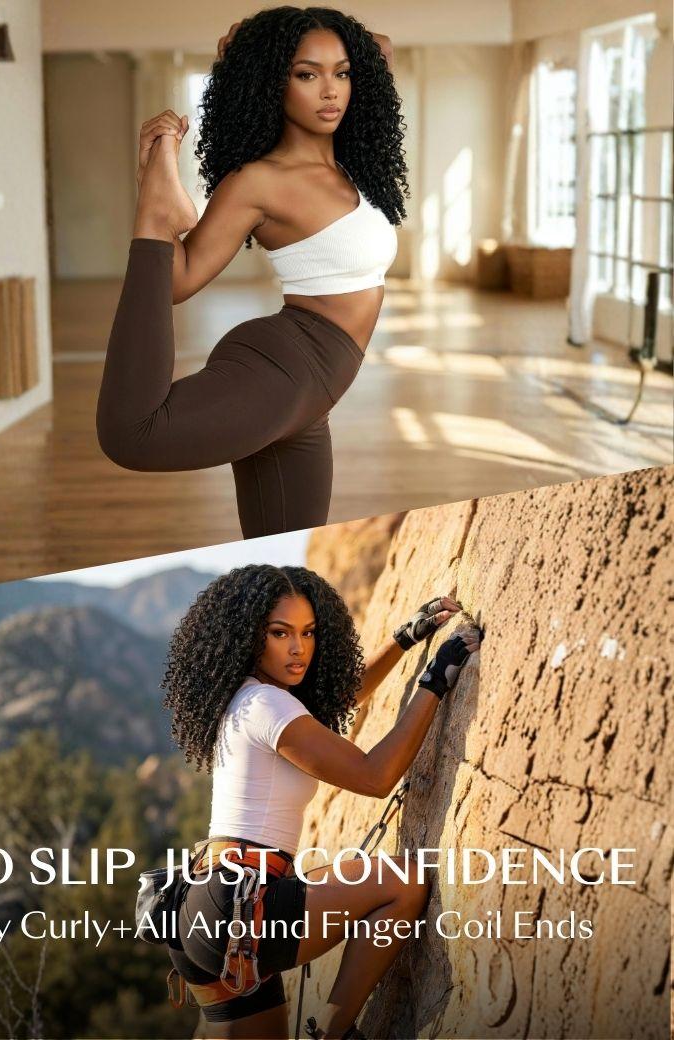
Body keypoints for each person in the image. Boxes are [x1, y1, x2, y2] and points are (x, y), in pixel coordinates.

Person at [96, 7, 408, 538]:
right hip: (285, 370)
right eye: (306, 75)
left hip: (311, 396)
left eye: (341, 73)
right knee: (131, 434)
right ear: (273, 83)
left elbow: (377, 45)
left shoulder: (349, 161)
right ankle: (158, 210)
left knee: (285, 542)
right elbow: (178, 281)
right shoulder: (258, 181)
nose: (330, 91)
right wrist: (151, 210)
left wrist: (253, 41)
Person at [159, 564, 482, 1039]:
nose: (298, 648)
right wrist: (434, 681)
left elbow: (337, 699)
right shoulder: (269, 705)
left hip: (202, 911)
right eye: (280, 633)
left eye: (308, 632)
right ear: (249, 636)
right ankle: (332, 1031)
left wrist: (403, 639)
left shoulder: (249, 697)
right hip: (243, 907)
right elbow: (375, 777)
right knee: (404, 882)